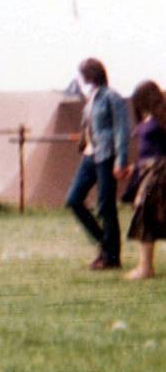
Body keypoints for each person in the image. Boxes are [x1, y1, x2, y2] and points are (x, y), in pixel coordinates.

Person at [65, 57, 130, 270]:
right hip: (89, 155)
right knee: (73, 199)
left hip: (106, 155)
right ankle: (106, 245)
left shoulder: (112, 97)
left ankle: (111, 256)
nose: (80, 78)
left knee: (105, 205)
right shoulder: (90, 97)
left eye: (82, 73)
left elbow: (121, 130)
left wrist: (121, 160)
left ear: (91, 74)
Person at [124, 80, 166, 280]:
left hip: (158, 173)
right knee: (147, 216)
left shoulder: (161, 117)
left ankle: (145, 267)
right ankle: (145, 266)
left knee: (145, 214)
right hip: (148, 171)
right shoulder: (150, 118)